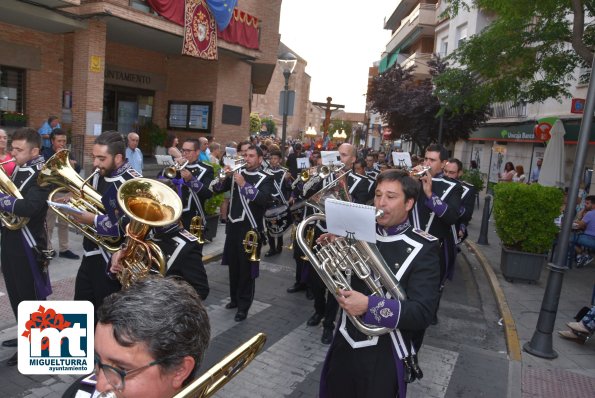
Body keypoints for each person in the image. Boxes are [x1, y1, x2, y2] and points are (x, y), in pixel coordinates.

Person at [320, 169, 441, 397]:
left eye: (391, 196)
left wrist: (369, 306)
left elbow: (422, 313)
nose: (381, 202)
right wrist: (336, 251)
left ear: (408, 203)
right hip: (344, 343)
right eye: (377, 195)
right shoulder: (358, 233)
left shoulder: (425, 248)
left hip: (384, 354)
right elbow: (346, 279)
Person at [77, 277, 210, 398]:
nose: (99, 386)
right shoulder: (79, 393)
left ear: (179, 371)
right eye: (97, 360)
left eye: (121, 369)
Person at [0, 127, 52, 366]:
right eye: (13, 148)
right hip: (11, 239)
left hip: (29, 243)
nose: (13, 153)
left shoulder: (43, 174)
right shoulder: (20, 167)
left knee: (29, 296)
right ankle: (24, 335)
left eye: (19, 150)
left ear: (34, 151)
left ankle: (35, 346)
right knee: (15, 293)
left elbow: (30, 207)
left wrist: (2, 200)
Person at [213, 142, 274, 321]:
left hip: (250, 229)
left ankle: (243, 306)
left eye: (251, 156)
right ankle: (234, 299)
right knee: (234, 266)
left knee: (246, 270)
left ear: (260, 159)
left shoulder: (266, 177)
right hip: (233, 227)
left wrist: (244, 184)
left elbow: (264, 200)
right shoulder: (236, 173)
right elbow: (216, 189)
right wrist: (223, 175)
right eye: (245, 155)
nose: (247, 159)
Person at [410, 144, 462, 324]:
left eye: (432, 160)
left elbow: (452, 217)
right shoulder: (412, 180)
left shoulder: (453, 187)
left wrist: (430, 194)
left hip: (433, 250)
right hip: (409, 244)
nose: (426, 163)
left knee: (426, 291)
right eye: (425, 159)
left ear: (444, 163)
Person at [42, 128, 81, 259]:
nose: (62, 143)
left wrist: (69, 162)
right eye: (59, 141)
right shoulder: (45, 153)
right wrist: (57, 159)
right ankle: (48, 249)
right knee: (50, 223)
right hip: (52, 192)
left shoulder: (68, 153)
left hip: (65, 192)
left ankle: (64, 249)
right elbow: (47, 172)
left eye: (64, 140)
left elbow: (78, 168)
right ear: (52, 141)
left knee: (64, 223)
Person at [443, 158, 476, 243]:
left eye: (451, 173)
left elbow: (467, 214)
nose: (447, 175)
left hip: (451, 231)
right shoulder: (437, 182)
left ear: (460, 173)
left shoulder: (467, 190)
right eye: (445, 171)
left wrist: (462, 226)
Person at [570, 195, 595, 267]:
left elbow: (579, 225)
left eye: (587, 203)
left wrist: (580, 214)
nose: (585, 205)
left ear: (593, 205)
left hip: (590, 240)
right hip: (589, 238)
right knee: (577, 236)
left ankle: (584, 255)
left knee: (567, 238)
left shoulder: (590, 213)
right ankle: (580, 257)